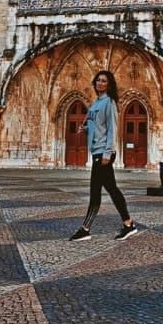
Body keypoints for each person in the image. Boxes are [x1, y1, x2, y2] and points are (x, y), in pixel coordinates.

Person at [69, 70, 138, 242]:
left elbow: (112, 130)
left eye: (104, 81)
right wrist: (85, 129)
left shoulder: (109, 103)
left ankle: (85, 229)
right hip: (97, 152)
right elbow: (95, 126)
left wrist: (108, 153)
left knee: (95, 193)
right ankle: (128, 224)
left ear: (109, 84)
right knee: (112, 190)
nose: (100, 83)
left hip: (103, 154)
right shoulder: (95, 103)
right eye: (98, 80)